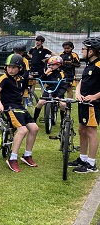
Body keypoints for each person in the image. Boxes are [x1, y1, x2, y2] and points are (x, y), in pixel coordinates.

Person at [0, 54, 39, 172]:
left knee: (34, 128)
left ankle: (27, 155)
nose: (11, 70)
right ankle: (12, 158)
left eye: (14, 67)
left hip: (19, 107)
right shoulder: (4, 78)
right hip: (9, 107)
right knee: (23, 130)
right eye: (9, 67)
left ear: (20, 68)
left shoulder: (20, 79)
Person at [68, 37, 100, 173]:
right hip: (83, 103)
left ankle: (91, 164)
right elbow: (82, 81)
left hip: (93, 105)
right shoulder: (89, 65)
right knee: (82, 130)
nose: (82, 51)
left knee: (91, 132)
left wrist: (95, 96)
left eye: (84, 49)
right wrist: (78, 92)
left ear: (91, 51)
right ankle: (83, 158)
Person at [32, 56, 68, 124]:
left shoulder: (63, 74)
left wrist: (59, 96)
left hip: (58, 91)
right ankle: (34, 119)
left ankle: (63, 120)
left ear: (59, 65)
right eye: (50, 65)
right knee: (40, 103)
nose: (51, 66)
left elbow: (64, 86)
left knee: (63, 105)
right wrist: (45, 73)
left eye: (53, 65)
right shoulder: (48, 72)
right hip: (49, 90)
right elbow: (41, 81)